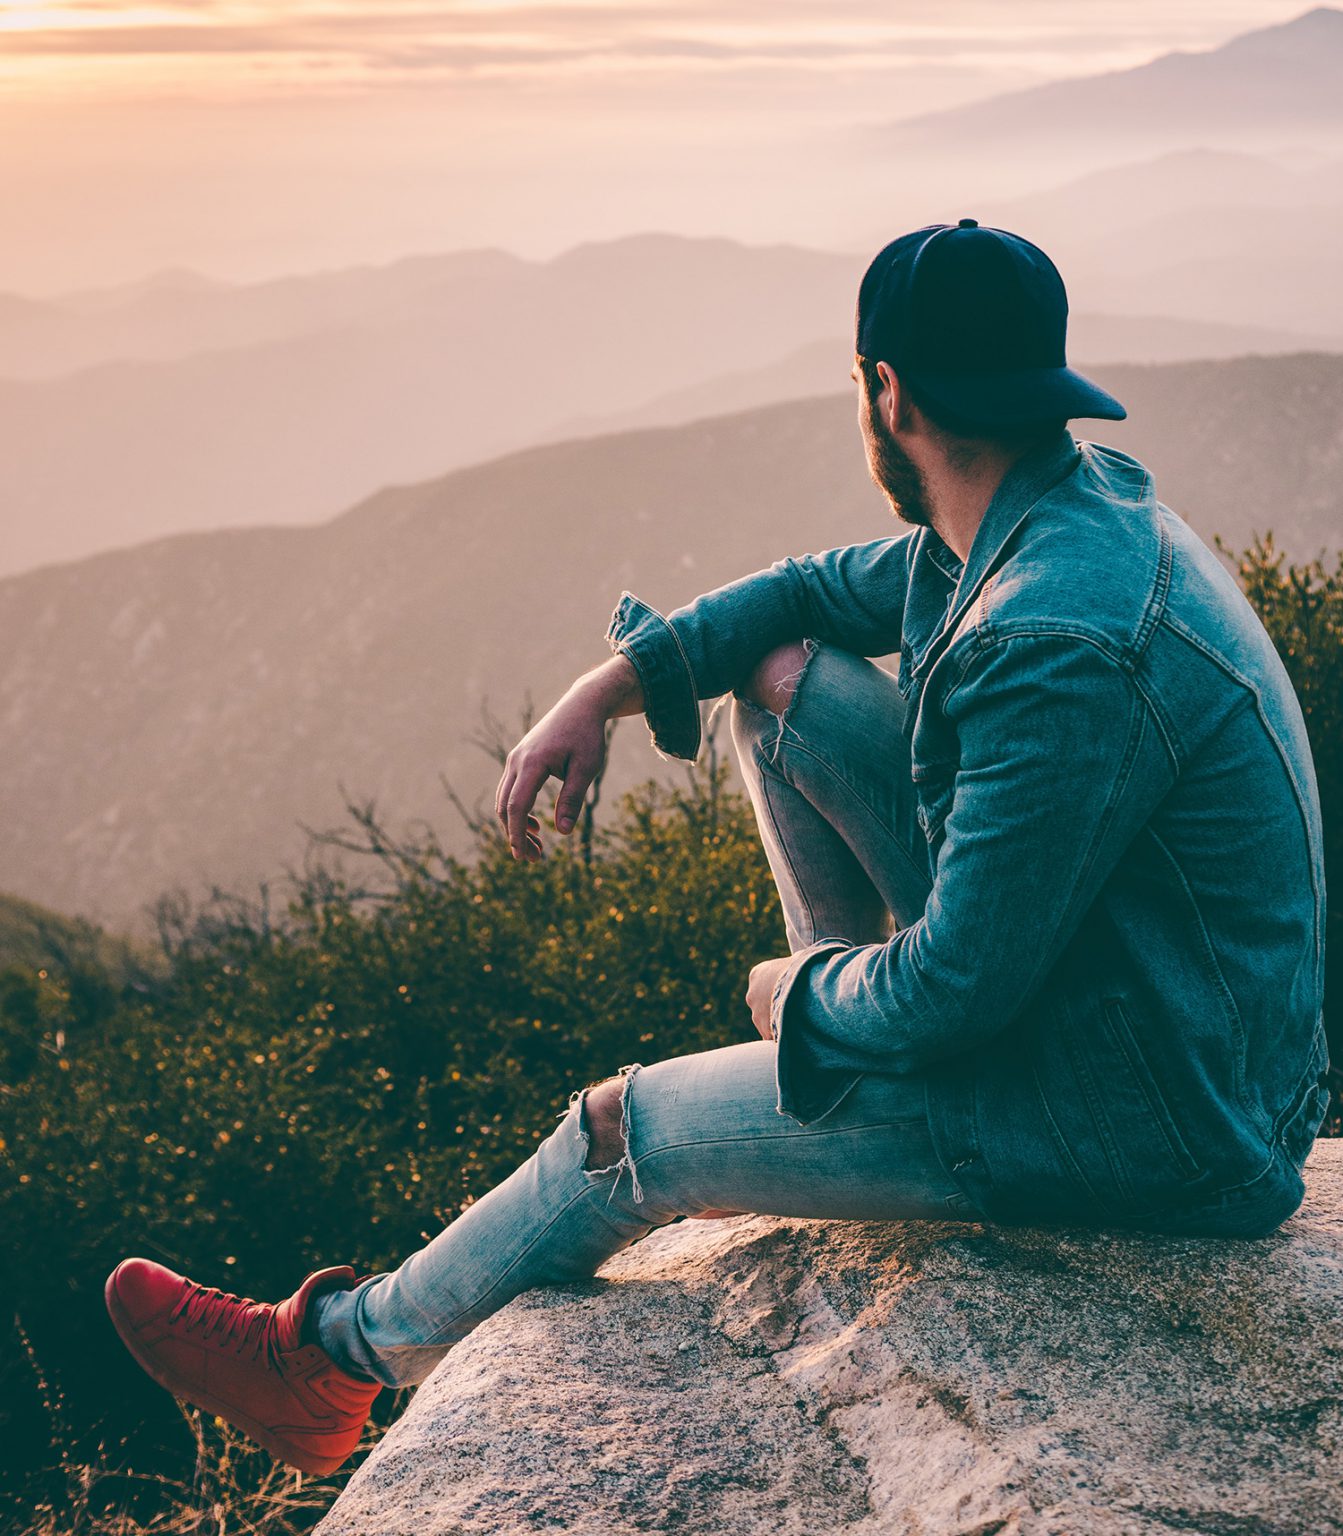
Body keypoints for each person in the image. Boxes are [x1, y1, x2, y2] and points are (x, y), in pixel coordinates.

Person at [105, 219, 1330, 1477]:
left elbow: (963, 987)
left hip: (1149, 1124)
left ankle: (329, 1362)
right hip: (1145, 1019)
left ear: (885, 391)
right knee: (784, 681)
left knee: (620, 1132)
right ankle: (856, 1073)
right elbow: (798, 598)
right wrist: (608, 685)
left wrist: (797, 998)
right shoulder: (1059, 516)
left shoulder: (1048, 641)